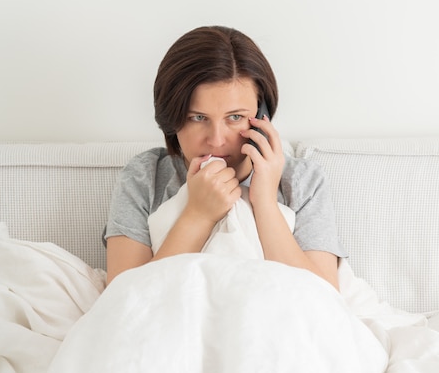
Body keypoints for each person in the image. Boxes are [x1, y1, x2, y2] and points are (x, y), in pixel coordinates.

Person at [104, 26, 346, 290]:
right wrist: (198, 215)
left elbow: (324, 299)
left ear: (261, 115)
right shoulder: (144, 177)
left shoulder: (302, 181)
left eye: (235, 117)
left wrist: (264, 202)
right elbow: (123, 297)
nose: (216, 140)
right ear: (171, 119)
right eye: (198, 118)